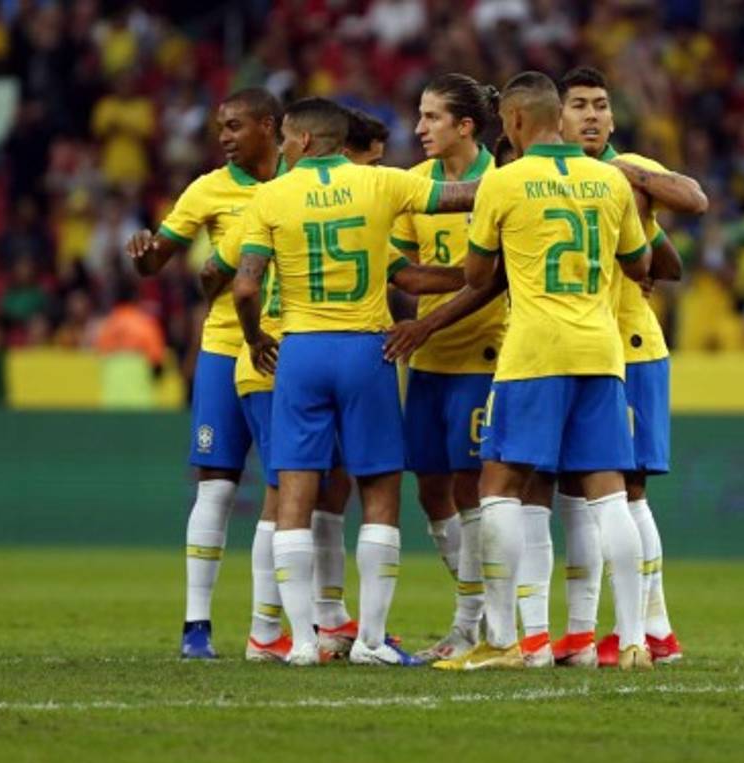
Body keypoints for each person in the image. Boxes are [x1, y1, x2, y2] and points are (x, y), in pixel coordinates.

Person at [204, 107, 465, 661]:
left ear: (301, 138)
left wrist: (253, 341)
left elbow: (244, 287)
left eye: (283, 137)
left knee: (294, 493)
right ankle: (370, 639)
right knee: (380, 493)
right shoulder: (381, 182)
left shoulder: (270, 197)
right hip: (364, 349)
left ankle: (301, 640)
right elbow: (466, 197)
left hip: (299, 351)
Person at [431, 71, 653, 672]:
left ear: (520, 122)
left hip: (532, 353)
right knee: (609, 492)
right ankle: (632, 640)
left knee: (498, 485)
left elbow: (478, 277)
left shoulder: (504, 181)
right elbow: (642, 262)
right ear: (561, 116)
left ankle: (505, 641)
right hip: (600, 350)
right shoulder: (608, 180)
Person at [537, 65, 703, 668]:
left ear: (612, 118)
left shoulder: (627, 169)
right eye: (578, 104)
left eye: (599, 105)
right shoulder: (550, 177)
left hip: (630, 348)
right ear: (557, 118)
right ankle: (584, 631)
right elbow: (669, 262)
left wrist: (629, 174)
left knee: (627, 490)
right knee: (581, 490)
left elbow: (695, 200)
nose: (589, 115)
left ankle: (654, 629)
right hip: (578, 346)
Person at [125, 88, 288, 659]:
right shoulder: (208, 187)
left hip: (287, 347)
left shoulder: (299, 183)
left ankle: (267, 629)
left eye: (236, 126)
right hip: (224, 348)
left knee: (284, 490)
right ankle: (196, 627)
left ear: (269, 127)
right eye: (221, 126)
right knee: (216, 487)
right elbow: (159, 262)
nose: (224, 136)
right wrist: (145, 252)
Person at [386, 74, 508, 663]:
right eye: (419, 115)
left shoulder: (504, 183)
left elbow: (500, 281)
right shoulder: (411, 187)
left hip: (486, 352)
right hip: (428, 356)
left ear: (465, 126)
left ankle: (471, 624)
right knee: (430, 486)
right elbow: (405, 275)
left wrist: (469, 288)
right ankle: (476, 610)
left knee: (470, 484)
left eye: (432, 118)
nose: (418, 129)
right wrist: (474, 274)